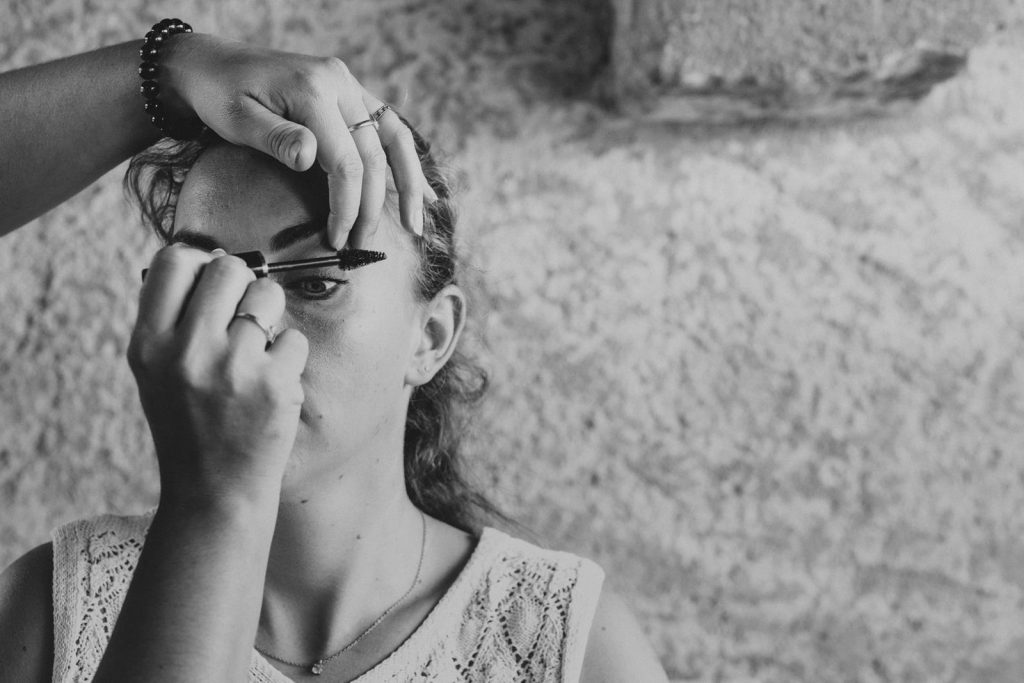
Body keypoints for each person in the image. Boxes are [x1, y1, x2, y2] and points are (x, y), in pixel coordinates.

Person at [0, 23, 669, 683]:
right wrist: (213, 498)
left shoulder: (570, 644)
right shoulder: (54, 607)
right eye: (209, 277)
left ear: (431, 337)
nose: (247, 330)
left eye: (318, 281)